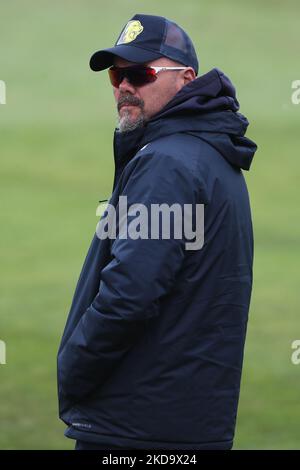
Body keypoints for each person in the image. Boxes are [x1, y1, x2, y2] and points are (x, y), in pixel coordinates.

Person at [57, 13, 257, 450]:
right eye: (117, 74)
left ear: (186, 78)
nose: (124, 86)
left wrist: (74, 364)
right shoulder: (206, 152)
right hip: (181, 420)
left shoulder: (168, 163)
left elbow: (130, 293)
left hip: (139, 427)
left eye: (140, 73)